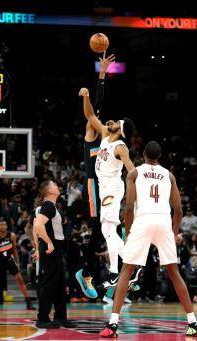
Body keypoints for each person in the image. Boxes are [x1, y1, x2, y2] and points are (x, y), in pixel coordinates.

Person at [99, 141, 197, 337]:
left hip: (143, 220)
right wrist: (174, 231)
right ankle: (193, 322)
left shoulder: (134, 173)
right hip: (164, 221)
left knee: (126, 270)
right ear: (159, 156)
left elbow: (129, 207)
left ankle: (112, 324)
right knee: (174, 272)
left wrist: (128, 233)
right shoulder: (169, 175)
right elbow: (178, 209)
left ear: (143, 154)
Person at [79, 86, 139, 290]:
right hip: (105, 189)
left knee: (110, 230)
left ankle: (125, 268)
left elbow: (132, 170)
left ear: (120, 131)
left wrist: (138, 191)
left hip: (112, 190)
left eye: (117, 122)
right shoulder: (104, 134)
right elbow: (89, 114)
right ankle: (126, 268)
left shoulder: (120, 147)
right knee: (107, 231)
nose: (111, 121)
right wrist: (86, 97)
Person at [75, 53, 114, 299]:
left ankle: (106, 274)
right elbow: (93, 112)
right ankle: (86, 273)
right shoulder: (94, 134)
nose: (107, 121)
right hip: (93, 186)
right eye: (105, 121)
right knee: (97, 227)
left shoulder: (112, 143)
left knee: (108, 229)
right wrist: (100, 77)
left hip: (108, 187)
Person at [33, 180, 76, 329]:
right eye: (55, 185)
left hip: (54, 248)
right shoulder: (47, 207)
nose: (58, 187)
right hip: (51, 248)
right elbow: (38, 225)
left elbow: (34, 226)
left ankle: (60, 317)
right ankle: (42, 318)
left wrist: (38, 247)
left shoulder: (50, 207)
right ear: (49, 191)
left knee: (59, 285)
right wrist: (48, 242)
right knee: (49, 284)